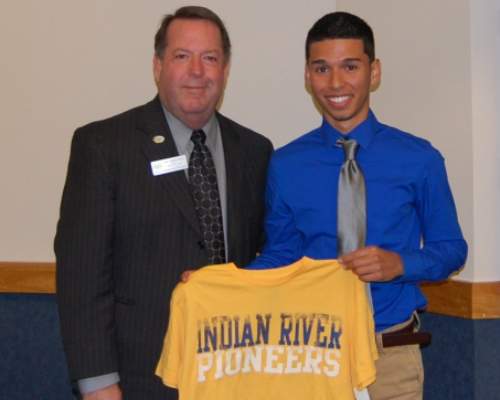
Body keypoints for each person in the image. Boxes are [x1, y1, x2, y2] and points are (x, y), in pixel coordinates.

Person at [55, 6, 272, 400]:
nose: (197, 71)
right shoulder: (104, 146)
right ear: (157, 66)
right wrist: (98, 383)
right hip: (138, 380)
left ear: (225, 70)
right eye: (181, 56)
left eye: (210, 58)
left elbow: (263, 260)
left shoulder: (256, 152)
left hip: (235, 375)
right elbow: (81, 275)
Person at [249, 11, 467, 400]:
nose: (335, 83)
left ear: (374, 72)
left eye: (350, 66)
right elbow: (281, 254)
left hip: (392, 357)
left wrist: (399, 264)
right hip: (311, 356)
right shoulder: (285, 165)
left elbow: (451, 249)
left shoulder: (419, 158)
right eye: (322, 68)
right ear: (307, 76)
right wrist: (221, 282)